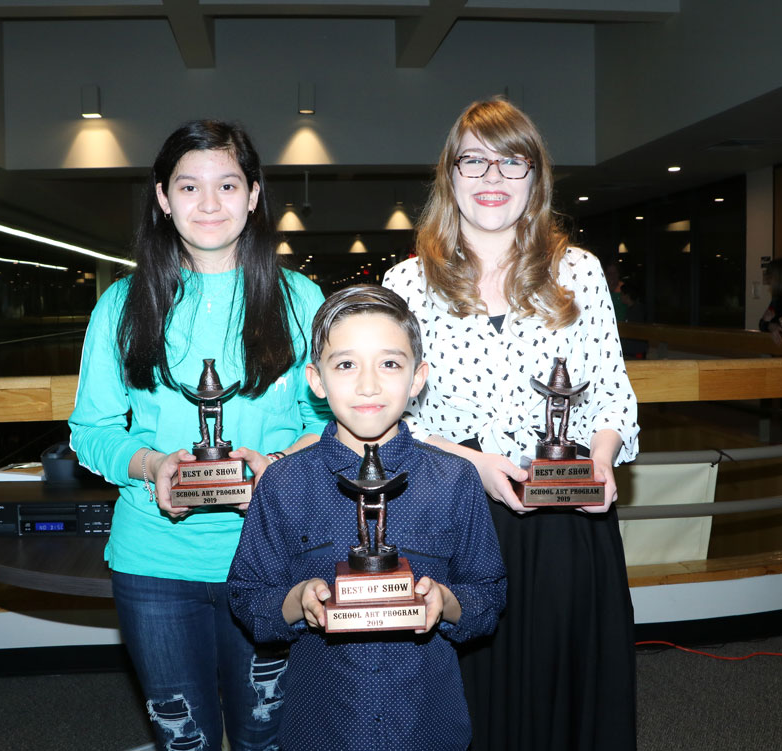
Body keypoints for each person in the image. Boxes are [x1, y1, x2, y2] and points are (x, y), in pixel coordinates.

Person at [383, 98, 640, 751]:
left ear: (535, 177)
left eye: (511, 160)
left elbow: (611, 397)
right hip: (454, 512)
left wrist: (603, 460)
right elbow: (387, 422)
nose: (492, 175)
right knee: (466, 699)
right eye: (474, 159)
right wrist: (478, 465)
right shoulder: (406, 284)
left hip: (563, 520)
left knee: (565, 693)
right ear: (451, 174)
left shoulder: (576, 271)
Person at [68, 120, 329, 751]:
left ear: (254, 194)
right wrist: (154, 463)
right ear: (162, 198)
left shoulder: (301, 298)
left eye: (227, 185)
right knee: (183, 741)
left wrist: (280, 464)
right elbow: (91, 431)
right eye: (189, 186)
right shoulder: (122, 305)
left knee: (268, 738)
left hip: (274, 557)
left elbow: (332, 424)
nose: (209, 204)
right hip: (156, 564)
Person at [228, 284, 506, 751]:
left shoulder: (455, 479)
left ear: (418, 378)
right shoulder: (283, 483)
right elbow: (248, 597)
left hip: (427, 723)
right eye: (346, 364)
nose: (369, 385)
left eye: (390, 363)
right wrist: (298, 601)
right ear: (316, 380)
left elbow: (489, 594)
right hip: (323, 723)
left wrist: (445, 602)